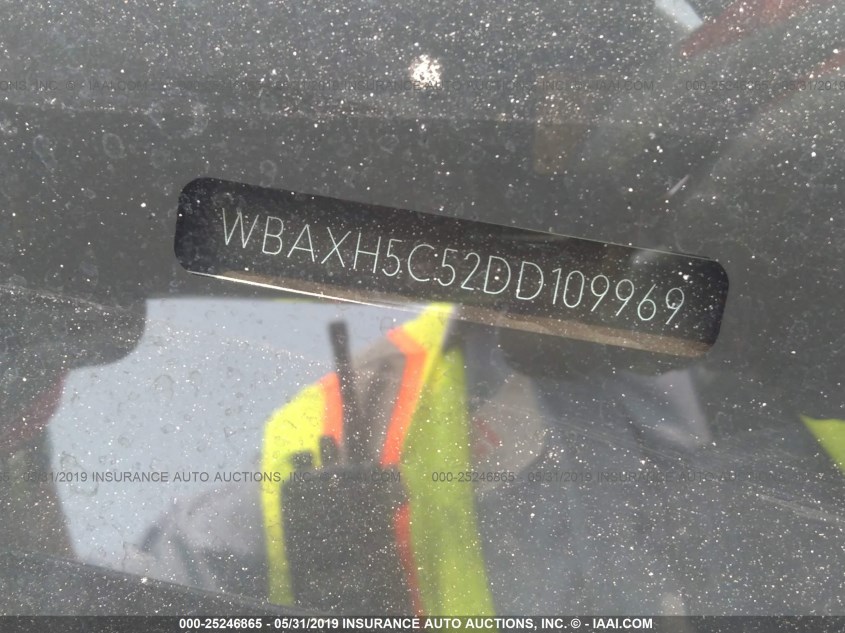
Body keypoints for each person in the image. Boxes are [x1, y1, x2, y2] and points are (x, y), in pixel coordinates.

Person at [130, 0, 845, 615]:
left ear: (655, 143)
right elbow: (130, 590)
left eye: (572, 131)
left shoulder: (795, 316)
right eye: (485, 146)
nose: (527, 192)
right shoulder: (345, 428)